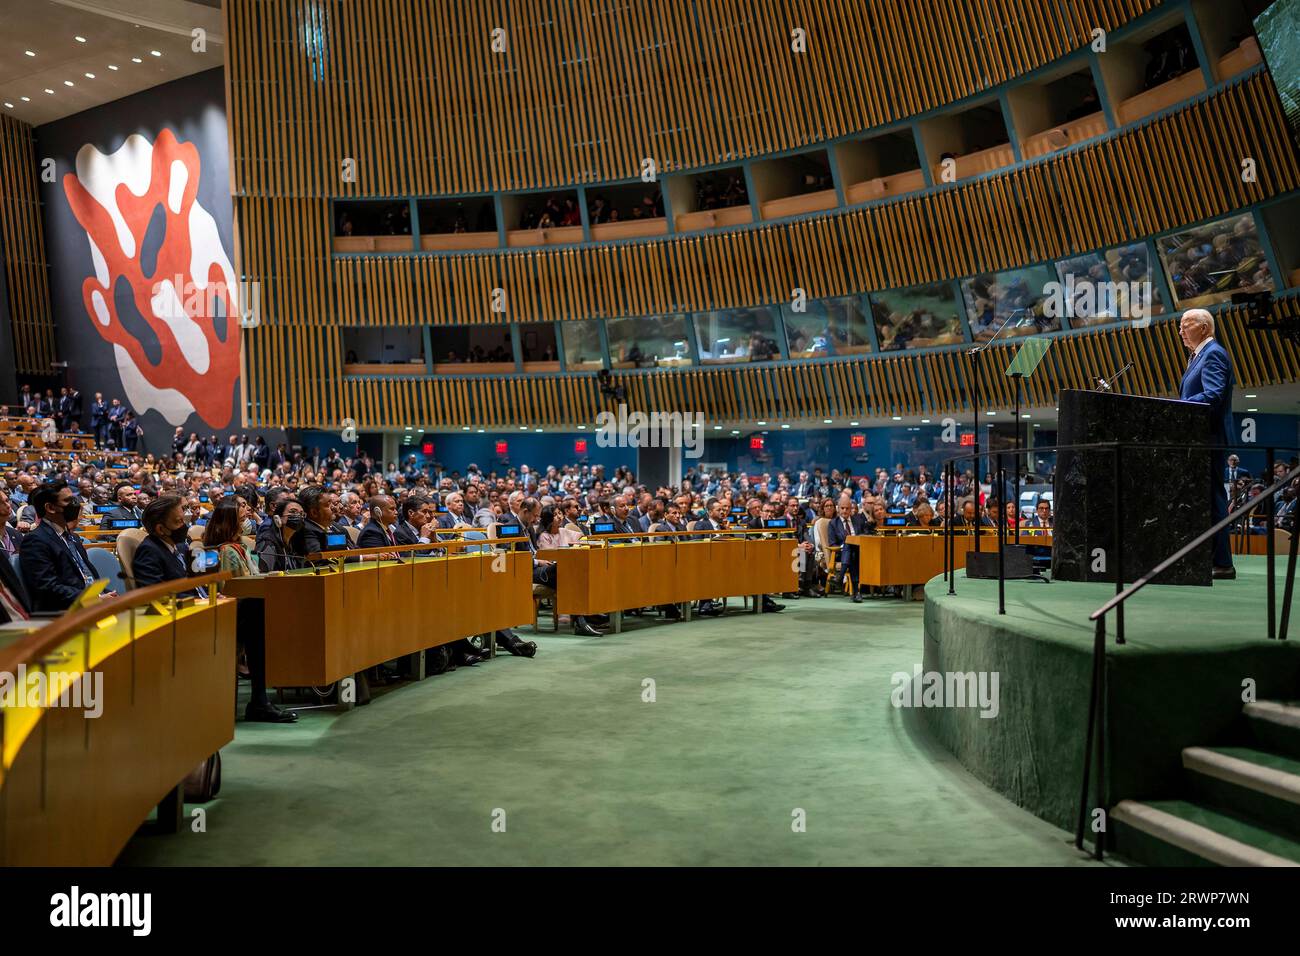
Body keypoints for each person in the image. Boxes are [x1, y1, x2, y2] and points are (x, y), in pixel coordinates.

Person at [204, 496, 297, 723]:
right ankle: (259, 700)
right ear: (229, 520)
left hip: (245, 611)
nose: (247, 517)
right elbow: (233, 589)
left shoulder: (242, 547)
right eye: (242, 514)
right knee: (258, 611)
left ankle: (261, 699)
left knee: (261, 610)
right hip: (230, 613)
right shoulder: (225, 551)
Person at [1178, 308, 1236, 579]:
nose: (1180, 331)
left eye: (1185, 325)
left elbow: (1212, 396)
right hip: (1198, 439)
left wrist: (1177, 406)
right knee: (1204, 500)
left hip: (1208, 439)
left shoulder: (1212, 353)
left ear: (1204, 327)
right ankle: (1207, 558)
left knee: (1213, 500)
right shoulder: (1196, 356)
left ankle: (1222, 562)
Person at [19, 480, 111, 612]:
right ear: (50, 508)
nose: (75, 504)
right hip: (64, 612)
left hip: (89, 604)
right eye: (68, 501)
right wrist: (94, 599)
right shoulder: (35, 541)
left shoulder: (73, 537)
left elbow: (86, 576)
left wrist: (104, 595)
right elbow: (48, 587)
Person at [131, 496, 198, 594]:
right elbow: (158, 595)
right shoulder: (149, 552)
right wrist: (202, 602)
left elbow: (196, 580)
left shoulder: (180, 546)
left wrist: (211, 594)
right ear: (161, 529)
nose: (185, 525)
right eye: (179, 521)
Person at [828, 498, 871, 602]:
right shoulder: (833, 523)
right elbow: (832, 543)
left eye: (847, 508)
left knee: (851, 546)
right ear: (838, 509)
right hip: (841, 553)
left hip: (859, 551)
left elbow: (865, 534)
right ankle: (856, 592)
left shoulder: (858, 520)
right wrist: (848, 543)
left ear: (851, 509)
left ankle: (840, 576)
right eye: (842, 508)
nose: (844, 511)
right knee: (849, 544)